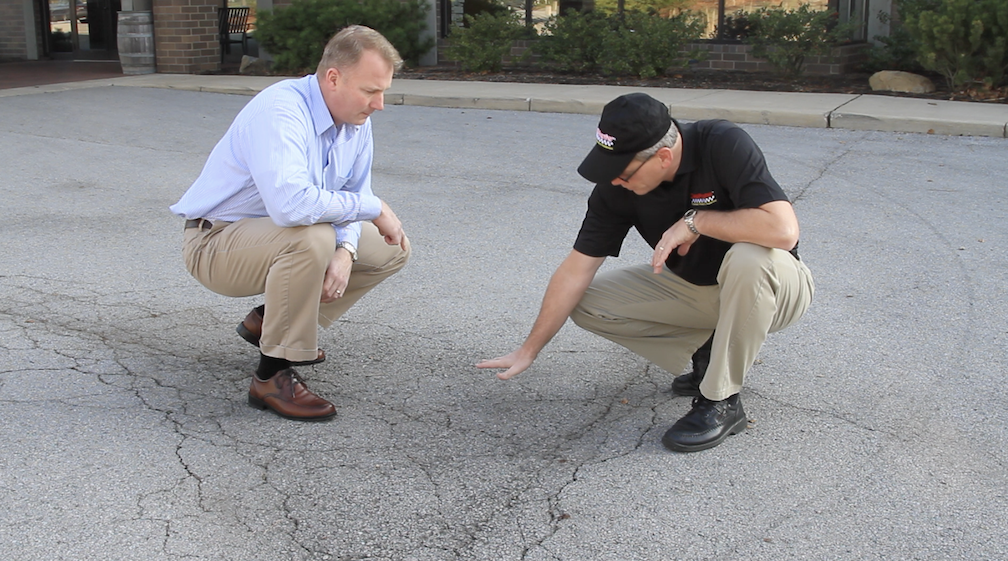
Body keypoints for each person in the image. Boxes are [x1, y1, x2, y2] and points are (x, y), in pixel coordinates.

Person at [477, 93, 814, 452]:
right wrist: (529, 349)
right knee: (588, 302)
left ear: (663, 156)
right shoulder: (616, 189)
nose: (615, 182)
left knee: (749, 257)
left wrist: (697, 221)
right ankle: (710, 348)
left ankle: (721, 401)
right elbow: (576, 269)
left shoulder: (722, 143)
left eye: (622, 173)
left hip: (776, 288)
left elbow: (783, 230)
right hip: (698, 289)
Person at [170, 26, 410, 422]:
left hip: (279, 238)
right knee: (312, 237)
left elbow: (355, 192)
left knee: (389, 247)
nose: (379, 104)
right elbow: (291, 207)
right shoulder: (281, 111)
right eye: (371, 90)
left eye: (382, 91)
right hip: (216, 242)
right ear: (333, 78)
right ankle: (271, 376)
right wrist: (371, 207)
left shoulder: (356, 122)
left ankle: (268, 320)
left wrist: (347, 251)